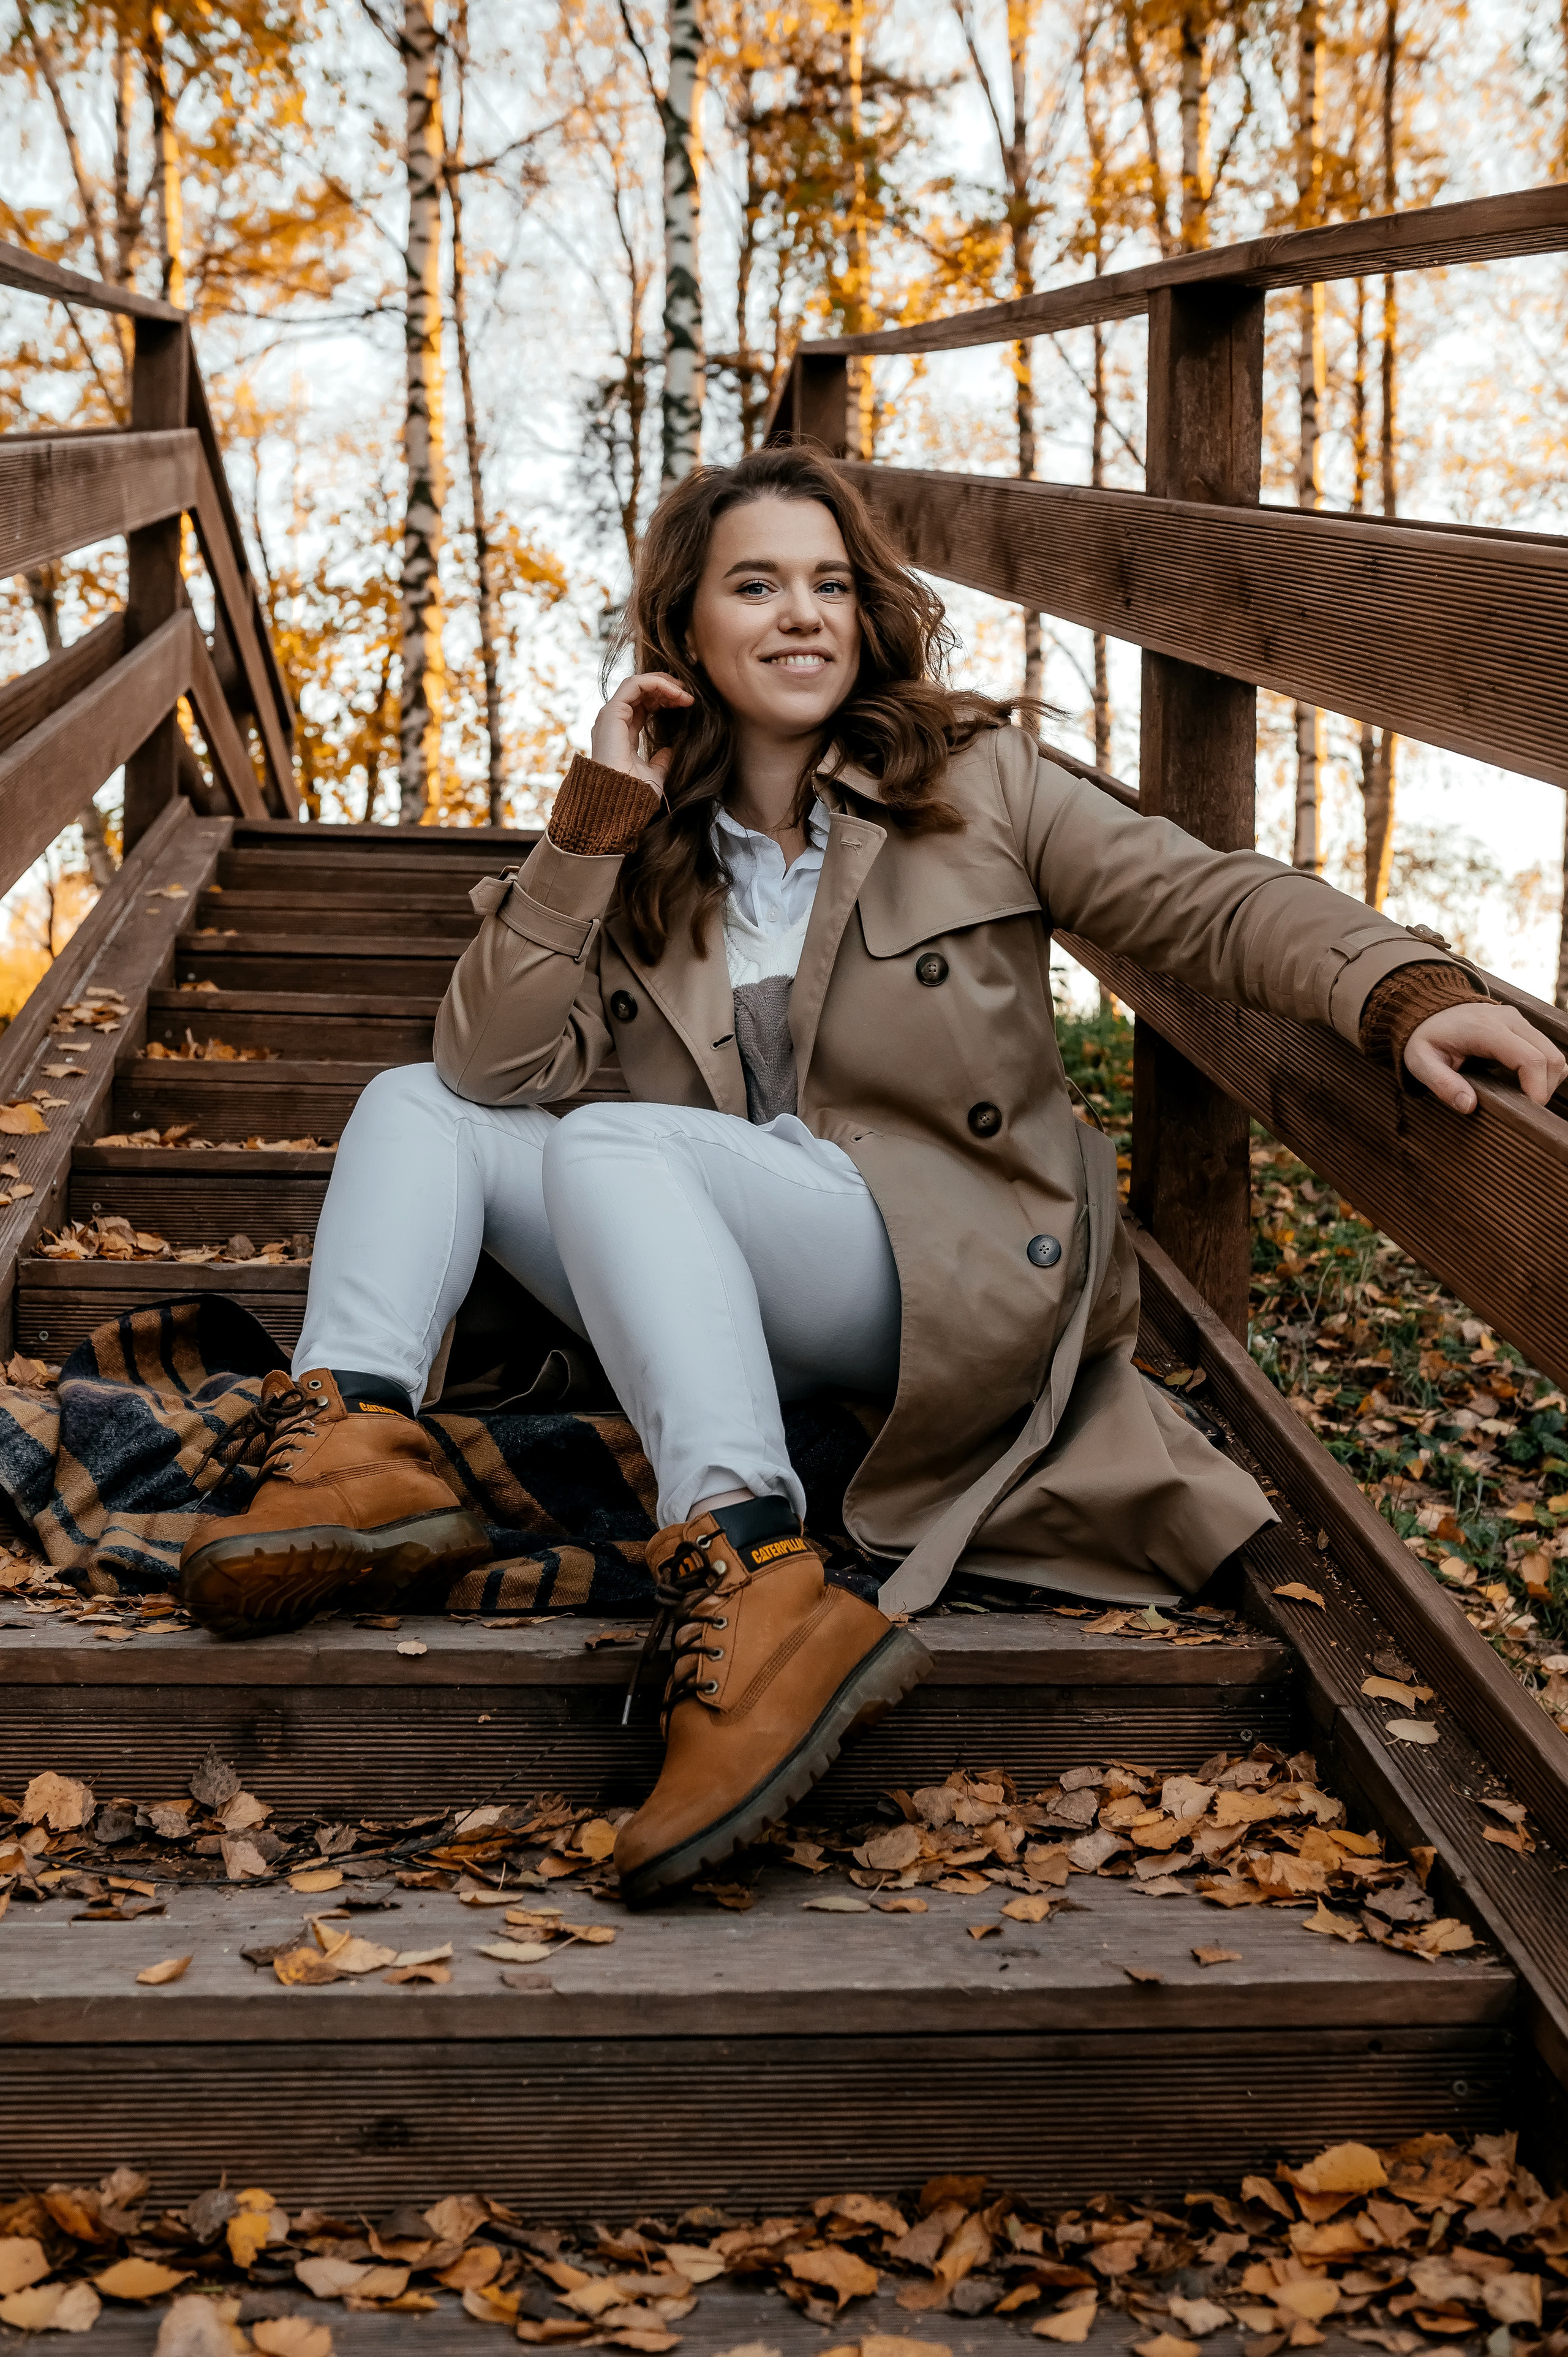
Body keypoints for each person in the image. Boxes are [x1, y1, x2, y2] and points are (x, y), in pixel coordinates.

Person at [178, 445, 1566, 1907]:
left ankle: (753, 1569)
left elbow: (1204, 896)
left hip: (951, 1271)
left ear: (869, 615)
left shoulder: (974, 784)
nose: (801, 616)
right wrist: (589, 825)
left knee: (612, 1136)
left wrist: (1402, 990)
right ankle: (353, 1451)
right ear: (686, 632)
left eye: (830, 584)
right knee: (414, 1102)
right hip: (724, 1257)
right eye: (756, 585)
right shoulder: (635, 851)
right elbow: (482, 1064)